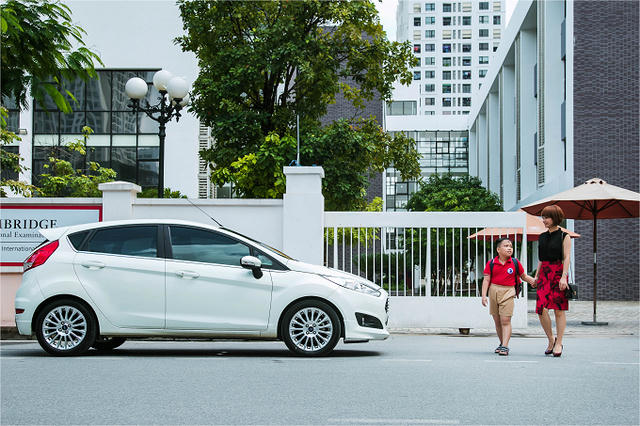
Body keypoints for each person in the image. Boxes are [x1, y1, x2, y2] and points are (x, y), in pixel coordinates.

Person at [481, 237, 535, 356]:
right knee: (497, 321)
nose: (509, 248)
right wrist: (484, 295)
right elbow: (486, 280)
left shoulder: (515, 263)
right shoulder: (491, 263)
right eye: (506, 246)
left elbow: (524, 276)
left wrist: (533, 280)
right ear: (498, 249)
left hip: (508, 292)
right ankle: (502, 343)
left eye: (510, 246)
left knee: (505, 320)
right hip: (494, 291)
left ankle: (505, 346)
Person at [531, 205, 571, 357]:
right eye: (543, 217)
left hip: (558, 272)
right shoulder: (542, 236)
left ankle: (559, 342)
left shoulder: (564, 236)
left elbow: (566, 257)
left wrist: (564, 276)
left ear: (555, 218)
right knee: (541, 309)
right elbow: (541, 259)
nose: (544, 220)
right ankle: (551, 339)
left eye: (547, 217)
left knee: (558, 310)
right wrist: (536, 276)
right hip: (544, 274)